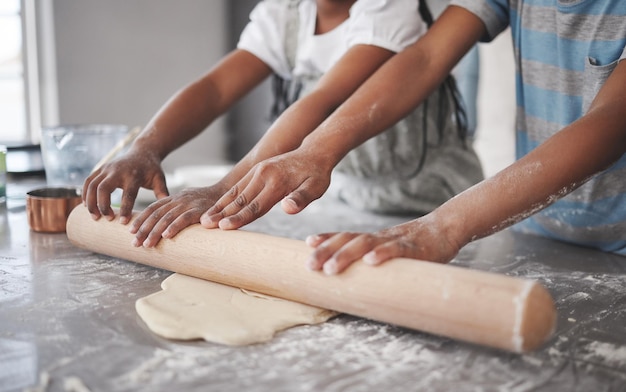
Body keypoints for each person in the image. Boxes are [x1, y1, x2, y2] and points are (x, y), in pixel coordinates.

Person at [198, 0, 626, 274]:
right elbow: (423, 59)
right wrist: (315, 151)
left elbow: (609, 123)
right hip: (542, 234)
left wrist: (442, 227)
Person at [83, 0, 483, 248]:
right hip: (350, 200)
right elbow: (216, 88)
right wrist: (147, 146)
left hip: (436, 203)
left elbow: (324, 102)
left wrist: (226, 187)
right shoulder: (285, 15)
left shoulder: (388, 7)